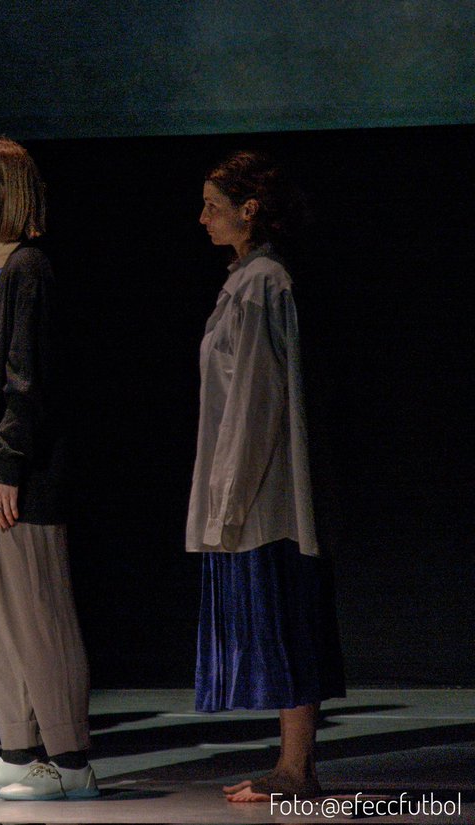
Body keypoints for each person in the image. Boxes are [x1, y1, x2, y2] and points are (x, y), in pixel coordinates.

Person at [0, 137, 98, 802]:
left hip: (13, 455)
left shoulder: (26, 269)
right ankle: (18, 748)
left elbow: (25, 380)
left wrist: (6, 467)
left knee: (37, 607)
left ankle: (70, 757)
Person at [188, 150, 344, 803]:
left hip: (263, 494)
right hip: (254, 488)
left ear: (249, 210)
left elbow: (255, 404)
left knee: (284, 621)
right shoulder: (249, 281)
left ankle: (296, 766)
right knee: (281, 621)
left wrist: (225, 505)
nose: (202, 218)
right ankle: (292, 763)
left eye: (214, 207)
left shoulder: (260, 285)